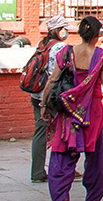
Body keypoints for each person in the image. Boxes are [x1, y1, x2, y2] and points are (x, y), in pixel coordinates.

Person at [39, 15, 103, 201]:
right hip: (92, 112)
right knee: (95, 158)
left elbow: (52, 80)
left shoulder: (66, 52)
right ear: (97, 36)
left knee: (62, 157)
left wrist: (44, 105)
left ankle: (62, 200)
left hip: (68, 112)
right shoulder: (102, 56)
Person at [29, 16, 71, 183]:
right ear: (59, 30)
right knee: (64, 130)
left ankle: (38, 171)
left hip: (36, 93)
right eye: (64, 28)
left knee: (40, 131)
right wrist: (46, 102)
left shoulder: (43, 44)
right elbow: (55, 77)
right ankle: (65, 168)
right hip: (51, 96)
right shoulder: (60, 47)